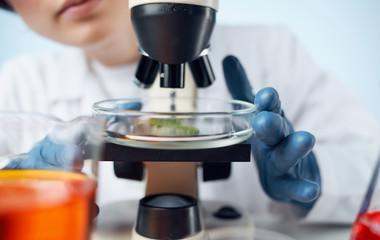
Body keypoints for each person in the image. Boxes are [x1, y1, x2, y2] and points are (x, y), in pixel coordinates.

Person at [0, 0, 379, 225]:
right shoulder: (19, 84)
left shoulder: (274, 51)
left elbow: (371, 172)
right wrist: (11, 191)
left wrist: (320, 179)